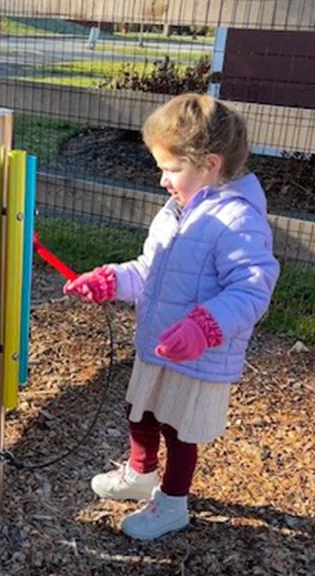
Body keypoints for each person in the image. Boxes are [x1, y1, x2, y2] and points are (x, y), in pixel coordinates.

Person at [64, 93, 279, 541]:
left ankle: (173, 503)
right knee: (139, 409)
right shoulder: (175, 209)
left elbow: (252, 287)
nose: (162, 180)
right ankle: (141, 473)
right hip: (160, 341)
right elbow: (149, 269)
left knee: (179, 430)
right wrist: (112, 281)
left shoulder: (237, 220)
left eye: (172, 169)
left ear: (212, 165)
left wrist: (205, 326)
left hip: (199, 353)